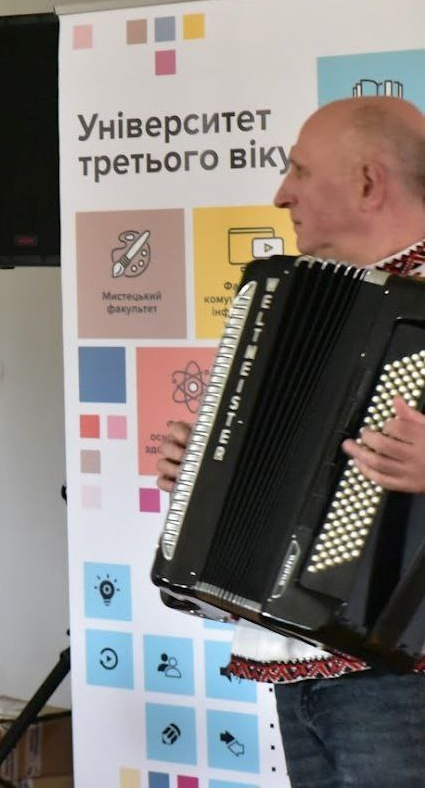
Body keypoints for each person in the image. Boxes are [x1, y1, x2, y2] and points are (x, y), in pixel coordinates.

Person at [157, 96, 425, 787]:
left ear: (368, 182)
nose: (282, 195)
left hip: (405, 670)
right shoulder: (293, 298)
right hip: (299, 654)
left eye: (300, 170)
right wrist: (207, 470)